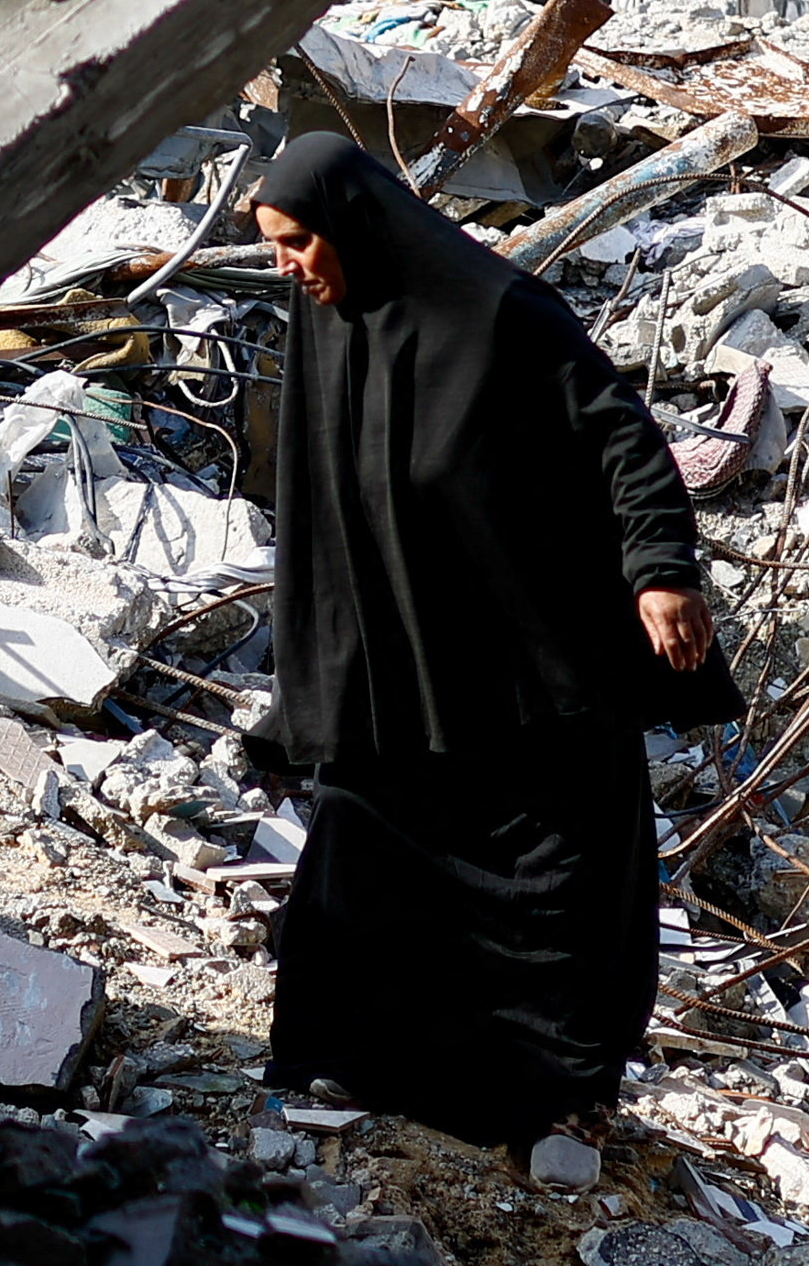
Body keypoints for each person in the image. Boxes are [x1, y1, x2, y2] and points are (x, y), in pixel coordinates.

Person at [240, 130, 738, 1155]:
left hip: (523, 659)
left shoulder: (495, 310)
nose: (286, 268)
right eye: (275, 248)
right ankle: (352, 1067)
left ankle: (551, 1089)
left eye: (297, 243)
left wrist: (658, 570)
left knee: (553, 874)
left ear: (354, 226)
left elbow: (620, 433)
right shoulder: (327, 318)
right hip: (395, 670)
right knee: (367, 850)